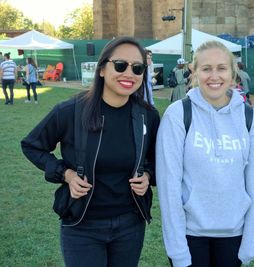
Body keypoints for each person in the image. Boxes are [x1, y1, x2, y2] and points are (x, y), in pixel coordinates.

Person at [21, 36, 160, 267]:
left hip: (130, 224)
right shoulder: (71, 111)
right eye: (120, 65)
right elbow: (32, 145)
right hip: (82, 225)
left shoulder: (148, 115)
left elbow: (158, 160)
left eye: (137, 68)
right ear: (102, 69)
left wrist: (147, 175)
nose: (129, 73)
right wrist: (66, 174)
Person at [156, 40, 254, 267]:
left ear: (233, 73)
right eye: (206, 69)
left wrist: (251, 243)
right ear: (194, 72)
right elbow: (169, 187)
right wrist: (178, 250)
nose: (214, 76)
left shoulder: (249, 118)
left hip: (233, 235)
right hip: (190, 235)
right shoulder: (178, 115)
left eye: (221, 68)